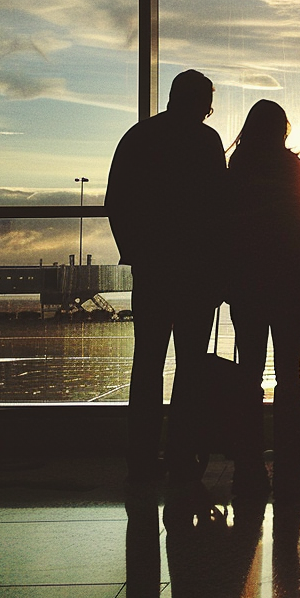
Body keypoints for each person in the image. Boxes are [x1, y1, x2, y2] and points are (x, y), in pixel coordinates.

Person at [105, 69, 227, 483]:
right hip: (196, 271)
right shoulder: (207, 142)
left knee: (148, 362)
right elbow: (217, 210)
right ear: (200, 103)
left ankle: (140, 454)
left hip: (154, 269)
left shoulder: (139, 137)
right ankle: (182, 451)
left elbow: (115, 201)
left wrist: (137, 252)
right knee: (190, 365)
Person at [226, 99, 300, 500]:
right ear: (282, 128)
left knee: (248, 377)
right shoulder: (291, 167)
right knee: (289, 378)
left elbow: (227, 226)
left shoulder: (237, 166)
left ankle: (248, 467)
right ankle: (289, 465)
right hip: (286, 285)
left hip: (248, 284)